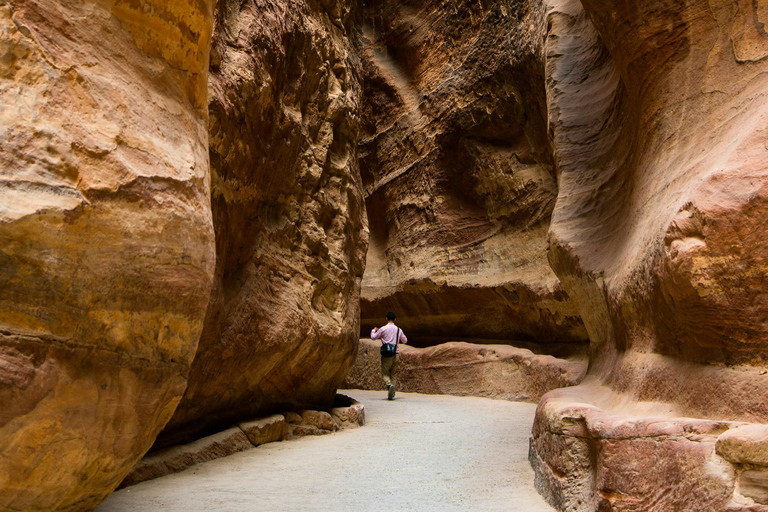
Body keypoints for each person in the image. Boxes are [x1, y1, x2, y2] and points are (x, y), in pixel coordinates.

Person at [371, 311, 408, 400]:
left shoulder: (383, 329)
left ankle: (389, 385)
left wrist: (373, 330)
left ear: (386, 318)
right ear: (395, 319)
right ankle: (392, 393)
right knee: (393, 374)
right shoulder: (399, 330)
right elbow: (405, 341)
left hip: (386, 354)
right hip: (396, 353)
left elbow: (373, 337)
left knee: (385, 373)